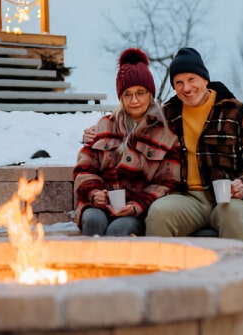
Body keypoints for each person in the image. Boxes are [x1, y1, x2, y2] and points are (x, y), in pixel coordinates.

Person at [84, 47, 243, 241]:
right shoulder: (169, 114)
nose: (186, 88)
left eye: (191, 79)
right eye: (179, 83)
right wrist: (97, 133)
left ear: (205, 79)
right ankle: (163, 271)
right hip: (186, 199)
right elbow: (131, 128)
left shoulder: (235, 112)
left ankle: (240, 270)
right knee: (158, 213)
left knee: (233, 214)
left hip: (227, 198)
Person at [73, 48, 181, 237]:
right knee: (92, 221)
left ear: (150, 95)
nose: (134, 100)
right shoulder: (105, 125)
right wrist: (94, 193)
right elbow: (85, 168)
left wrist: (135, 206)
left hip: (136, 211)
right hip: (100, 204)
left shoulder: (165, 135)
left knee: (118, 230)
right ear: (120, 98)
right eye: (127, 94)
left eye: (141, 92)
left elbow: (167, 182)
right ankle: (90, 266)